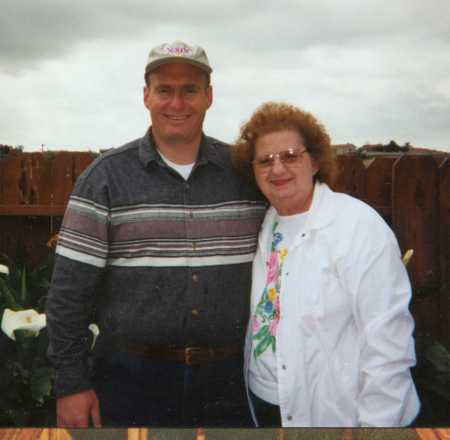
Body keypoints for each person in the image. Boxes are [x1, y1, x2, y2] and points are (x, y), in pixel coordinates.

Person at [46, 40, 266, 428]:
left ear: (209, 97)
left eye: (190, 90)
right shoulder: (104, 179)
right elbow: (68, 294)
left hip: (231, 385)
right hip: (130, 383)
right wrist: (70, 384)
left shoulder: (246, 176)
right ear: (146, 96)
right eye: (165, 90)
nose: (177, 104)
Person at [232, 102, 420, 427]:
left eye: (291, 156)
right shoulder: (268, 224)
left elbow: (388, 344)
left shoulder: (357, 227)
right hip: (263, 407)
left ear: (316, 160)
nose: (277, 169)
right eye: (265, 160)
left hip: (335, 416)